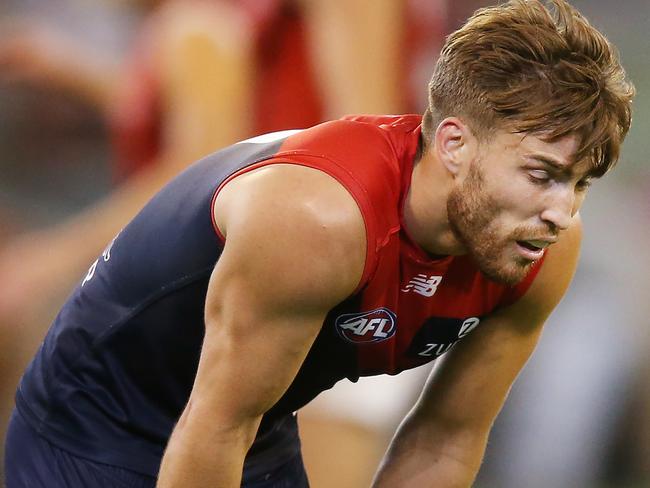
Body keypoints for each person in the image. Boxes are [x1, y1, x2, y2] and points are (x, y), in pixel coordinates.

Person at [3, 0, 634, 486]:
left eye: (580, 182)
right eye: (542, 175)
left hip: (254, 420)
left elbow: (444, 438)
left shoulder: (540, 248)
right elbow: (214, 426)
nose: (562, 211)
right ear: (451, 143)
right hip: (94, 423)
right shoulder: (322, 219)